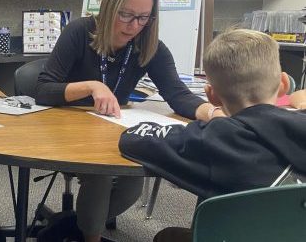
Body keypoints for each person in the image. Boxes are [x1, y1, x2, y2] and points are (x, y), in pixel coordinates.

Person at [35, 0, 221, 242]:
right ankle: (90, 235)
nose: (134, 26)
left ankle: (78, 226)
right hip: (68, 130)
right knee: (99, 177)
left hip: (111, 130)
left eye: (143, 18)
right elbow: (42, 89)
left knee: (133, 178)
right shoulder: (79, 32)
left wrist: (213, 113)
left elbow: (177, 94)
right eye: (126, 15)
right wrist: (92, 86)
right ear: (110, 7)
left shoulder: (148, 45)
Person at [118, 29, 306, 241]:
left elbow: (132, 139)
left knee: (167, 237)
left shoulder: (214, 139)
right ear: (282, 84)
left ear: (211, 96)